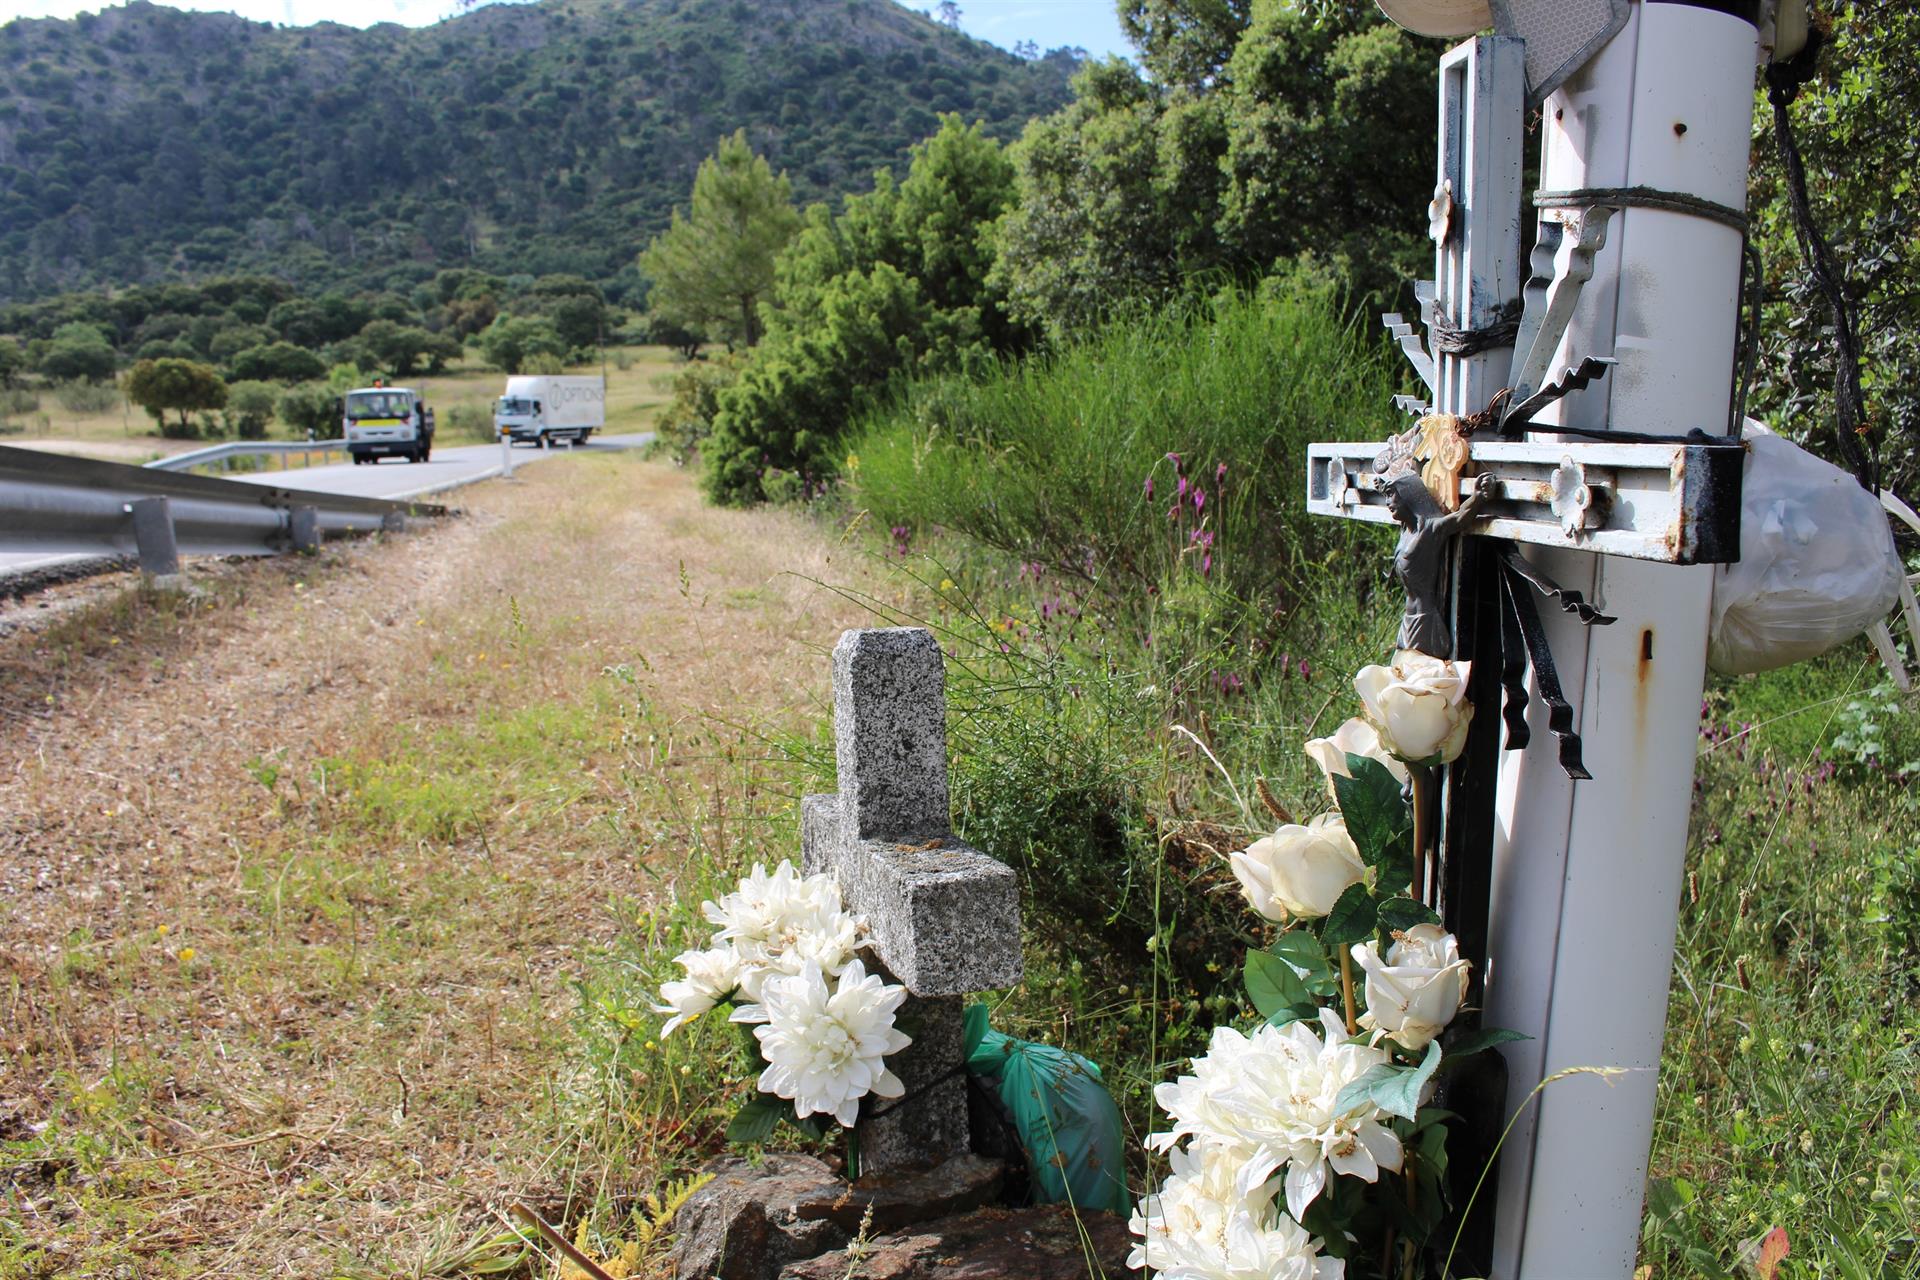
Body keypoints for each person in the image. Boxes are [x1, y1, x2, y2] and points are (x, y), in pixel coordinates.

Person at [1382, 470, 1498, 656]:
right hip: (1408, 619)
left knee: (1418, 675)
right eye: (1386, 496)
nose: (1387, 503)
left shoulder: (1430, 530)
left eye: (1391, 494)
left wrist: (1478, 497)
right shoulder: (1405, 531)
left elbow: (1459, 518)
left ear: (1408, 494)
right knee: (1405, 674)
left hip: (1425, 621)